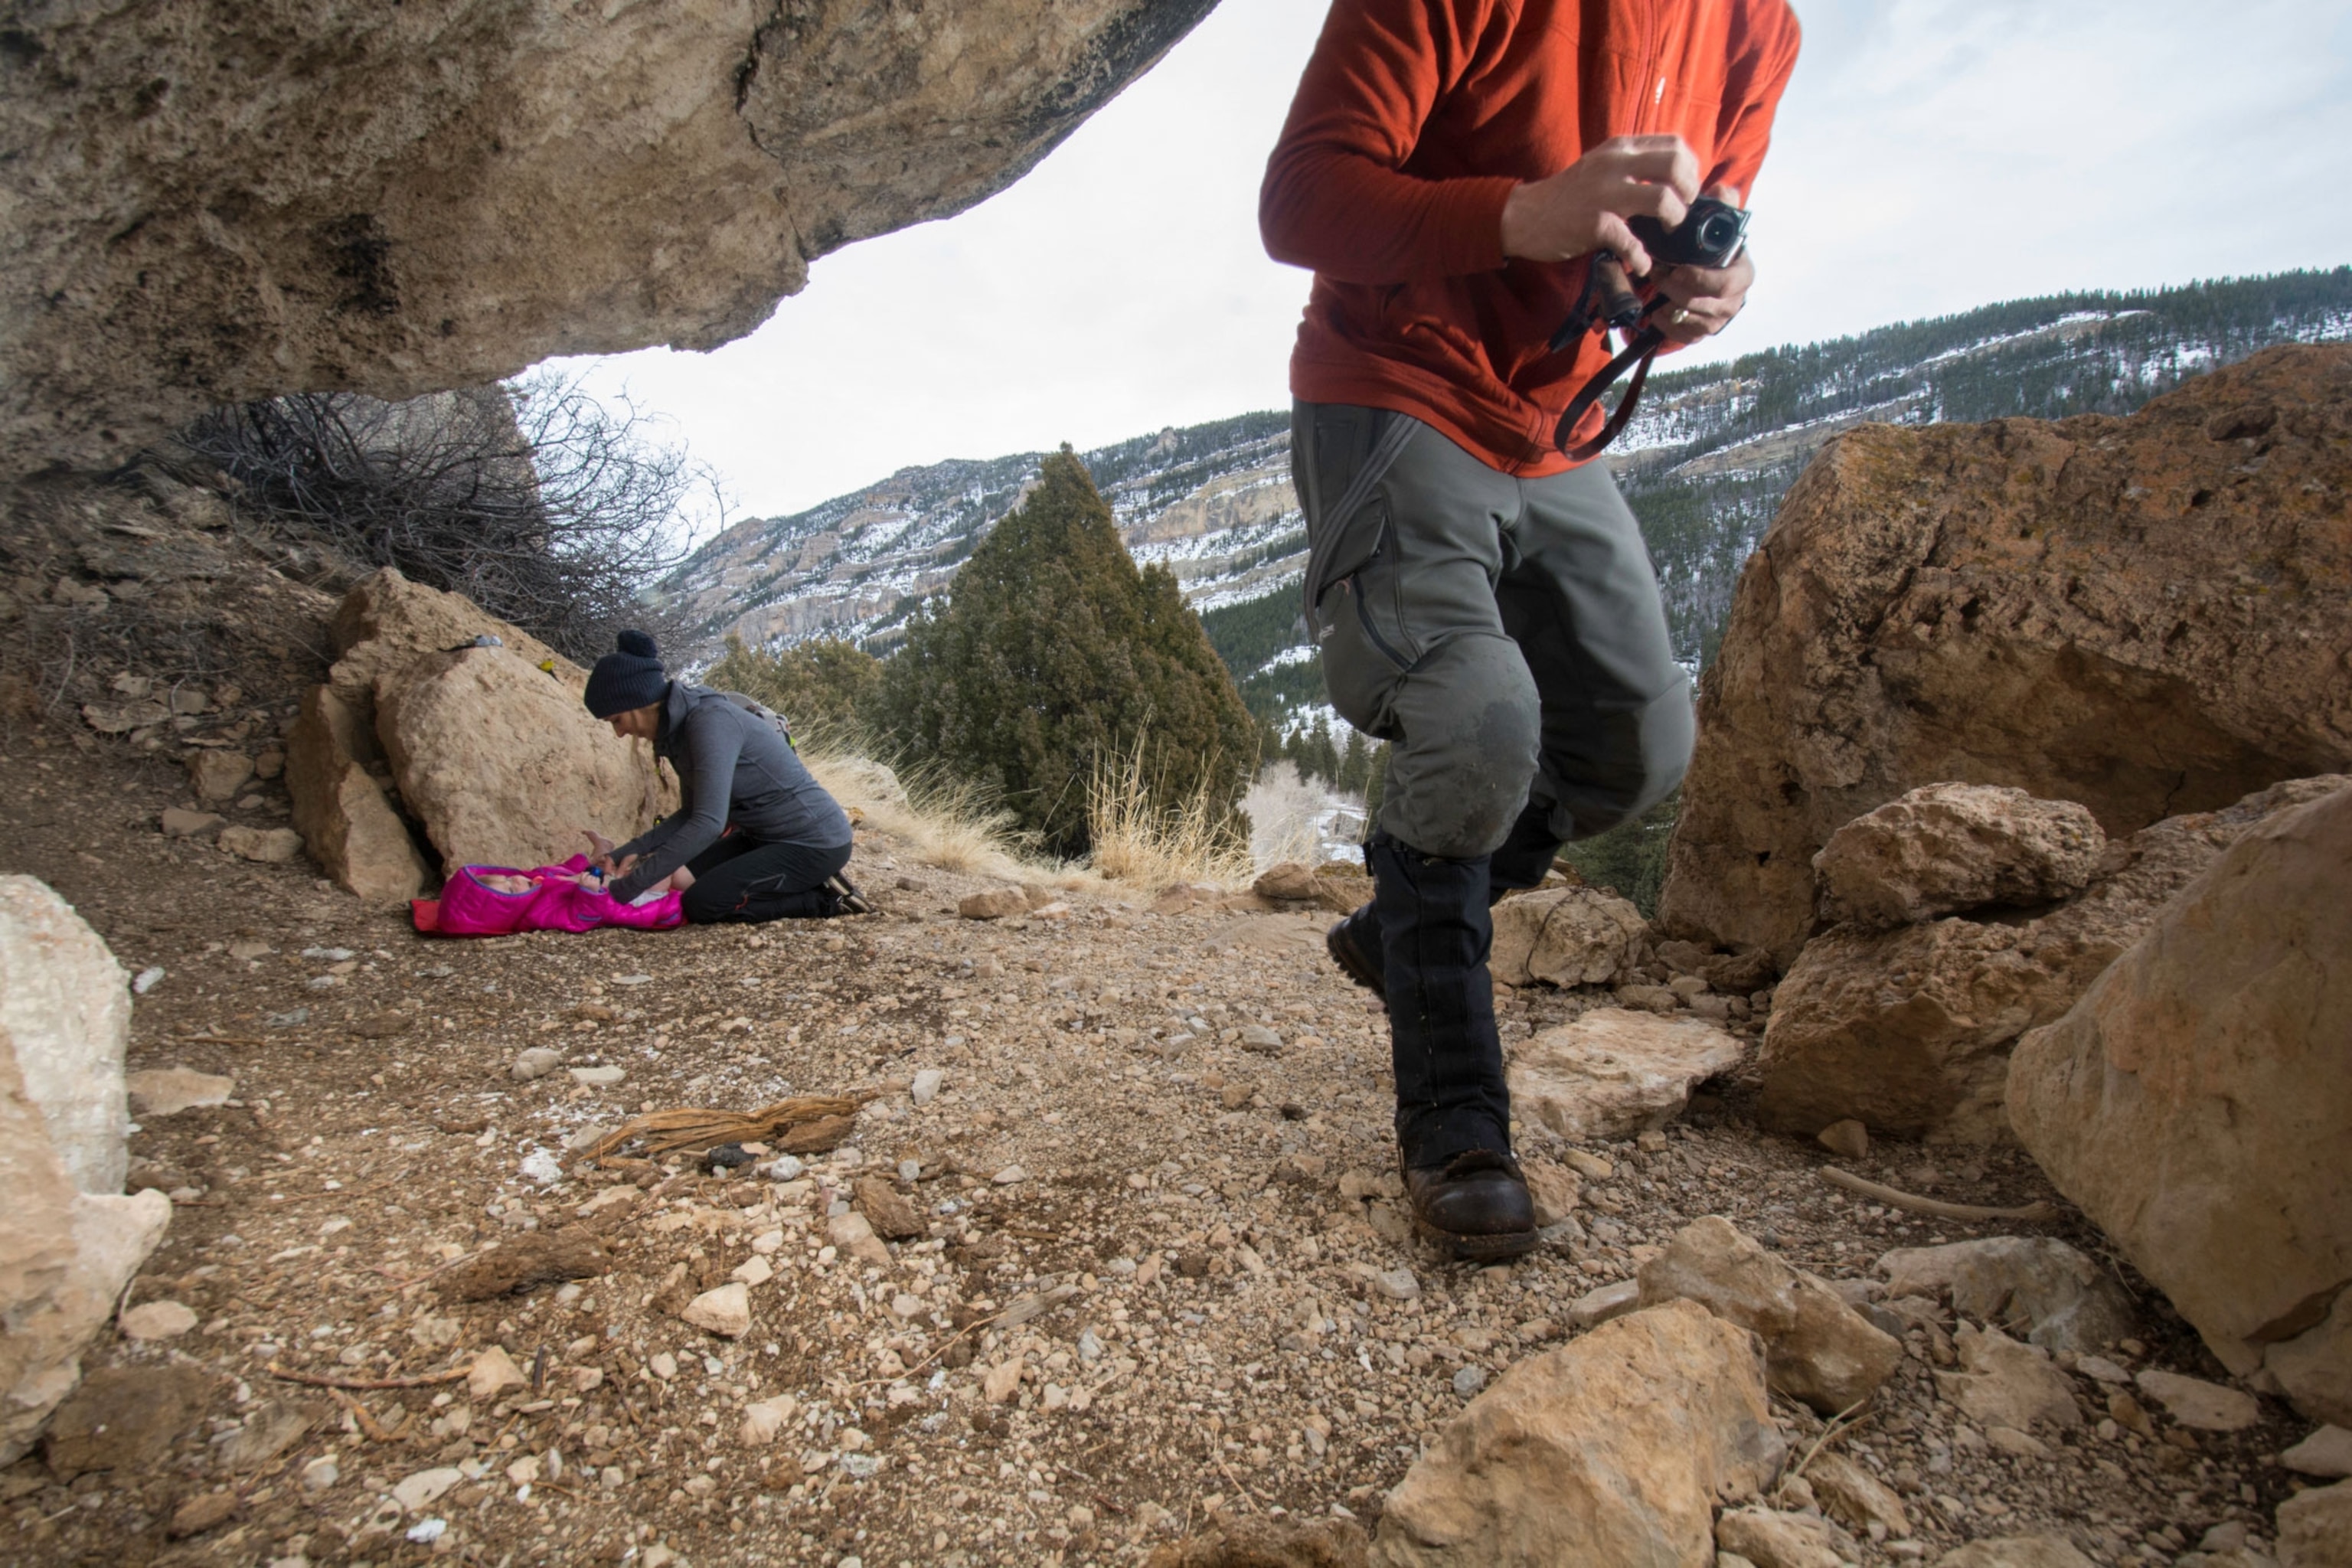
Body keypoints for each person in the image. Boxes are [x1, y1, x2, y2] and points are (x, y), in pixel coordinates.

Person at [1259, 0, 1800, 1259]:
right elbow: (1300, 202)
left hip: (1552, 423)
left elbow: (1697, 227)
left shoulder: (1757, 30)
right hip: (1395, 380)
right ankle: (1457, 1126)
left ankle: (1399, 927)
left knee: (1638, 745)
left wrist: (1700, 289)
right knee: (1479, 722)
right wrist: (1520, 211)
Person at [580, 630, 871, 923]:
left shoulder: (709, 723)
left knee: (704, 904)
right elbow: (692, 813)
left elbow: (709, 823)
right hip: (763, 836)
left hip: (814, 842)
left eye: (616, 720)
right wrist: (626, 853)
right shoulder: (676, 734)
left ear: (638, 702)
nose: (619, 732)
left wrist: (623, 890)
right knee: (681, 878)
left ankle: (827, 899)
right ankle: (792, 879)